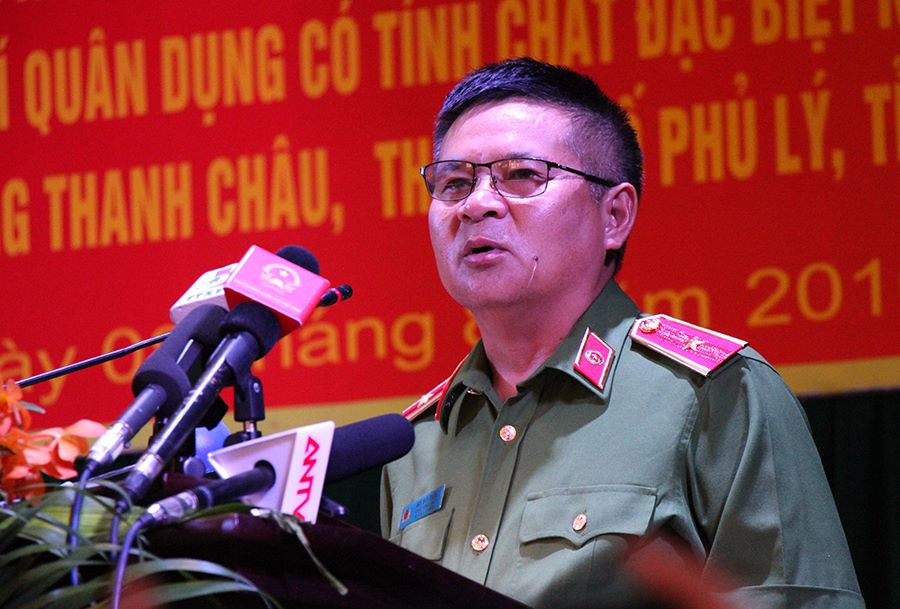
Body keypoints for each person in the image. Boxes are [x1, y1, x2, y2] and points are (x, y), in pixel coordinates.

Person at [380, 58, 864, 609]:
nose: (477, 204)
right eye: (454, 183)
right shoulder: (416, 441)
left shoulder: (712, 395)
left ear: (614, 216)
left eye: (521, 176)